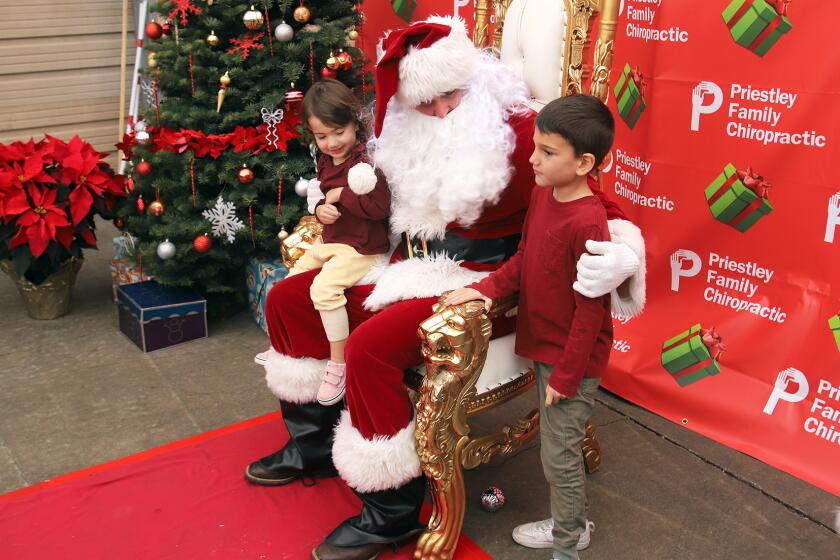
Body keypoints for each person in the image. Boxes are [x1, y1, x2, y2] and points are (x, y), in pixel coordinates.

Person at [247, 17, 646, 560]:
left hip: (479, 282)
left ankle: (392, 511)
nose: (437, 111)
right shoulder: (403, 124)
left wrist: (623, 254)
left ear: (474, 78)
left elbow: (596, 204)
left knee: (370, 349)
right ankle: (313, 444)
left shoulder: (523, 133)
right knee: (288, 301)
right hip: (400, 262)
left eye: (449, 96)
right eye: (424, 100)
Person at [445, 94, 622, 559]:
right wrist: (485, 289)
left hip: (572, 360)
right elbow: (525, 258)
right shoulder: (543, 193)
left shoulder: (589, 224)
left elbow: (591, 311)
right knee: (557, 446)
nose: (532, 158)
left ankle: (568, 544)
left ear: (584, 163)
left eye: (546, 152)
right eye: (535, 147)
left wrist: (566, 376)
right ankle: (572, 523)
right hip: (545, 345)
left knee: (558, 457)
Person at [254, 79, 390, 406]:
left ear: (355, 125)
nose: (331, 142)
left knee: (323, 289)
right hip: (335, 241)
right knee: (295, 273)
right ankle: (286, 343)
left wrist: (343, 195)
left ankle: (337, 363)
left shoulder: (365, 166)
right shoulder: (327, 160)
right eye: (321, 136)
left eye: (338, 132)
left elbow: (379, 208)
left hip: (362, 248)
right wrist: (322, 208)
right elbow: (322, 197)